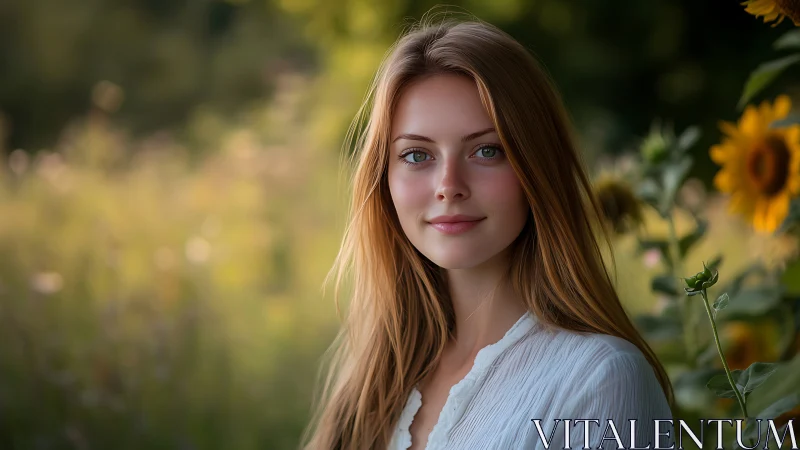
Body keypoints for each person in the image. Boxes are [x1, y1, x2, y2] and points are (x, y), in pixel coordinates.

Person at [300, 14, 675, 450]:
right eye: (417, 155)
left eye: (486, 150)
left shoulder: (602, 380)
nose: (448, 187)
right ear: (384, 179)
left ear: (536, 167)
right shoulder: (377, 381)